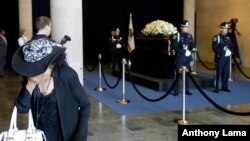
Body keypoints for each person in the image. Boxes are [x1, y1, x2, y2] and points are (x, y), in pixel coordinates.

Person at [11, 16, 90, 141]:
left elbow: (85, 105)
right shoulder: (30, 78)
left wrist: (79, 137)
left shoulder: (66, 75)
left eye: (38, 69)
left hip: (66, 136)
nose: (35, 73)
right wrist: (30, 86)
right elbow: (21, 108)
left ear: (50, 64)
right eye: (32, 69)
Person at [172, 20, 196, 96]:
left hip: (187, 58)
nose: (187, 28)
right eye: (185, 27)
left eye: (187, 27)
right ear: (181, 27)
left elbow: (193, 45)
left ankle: (186, 90)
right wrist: (184, 52)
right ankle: (176, 91)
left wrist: (190, 52)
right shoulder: (177, 35)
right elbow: (175, 46)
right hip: (180, 57)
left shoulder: (189, 36)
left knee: (187, 75)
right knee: (178, 75)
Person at [212, 22, 233, 93]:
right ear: (220, 29)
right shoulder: (217, 37)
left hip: (227, 57)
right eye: (224, 28)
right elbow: (215, 48)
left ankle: (224, 86)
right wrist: (223, 52)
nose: (226, 30)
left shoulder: (228, 38)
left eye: (227, 29)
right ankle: (216, 87)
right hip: (220, 57)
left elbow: (231, 46)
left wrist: (230, 51)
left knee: (226, 72)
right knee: (218, 72)